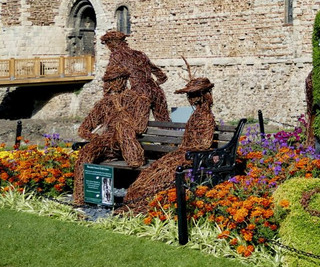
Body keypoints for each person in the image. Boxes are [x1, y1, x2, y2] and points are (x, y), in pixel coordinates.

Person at [120, 75, 217, 215]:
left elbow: (204, 144)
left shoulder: (207, 117)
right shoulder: (195, 116)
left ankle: (146, 203)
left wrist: (185, 153)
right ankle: (134, 200)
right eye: (190, 95)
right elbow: (188, 141)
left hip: (191, 156)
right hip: (183, 153)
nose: (191, 98)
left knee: (165, 173)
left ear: (203, 94)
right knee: (152, 170)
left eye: (194, 94)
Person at [73, 63, 149, 207]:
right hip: (109, 144)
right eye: (110, 81)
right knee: (85, 153)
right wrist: (95, 138)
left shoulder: (139, 100)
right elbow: (83, 129)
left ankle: (133, 155)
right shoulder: (105, 104)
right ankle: (80, 199)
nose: (113, 84)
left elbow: (139, 128)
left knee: (123, 127)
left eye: (116, 80)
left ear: (124, 80)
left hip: (128, 141)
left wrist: (121, 111)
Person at [101, 30, 170, 122]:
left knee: (138, 126)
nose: (108, 47)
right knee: (164, 122)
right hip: (156, 91)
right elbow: (162, 77)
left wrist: (107, 98)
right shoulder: (140, 54)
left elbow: (110, 78)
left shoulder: (116, 55)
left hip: (140, 94)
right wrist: (152, 84)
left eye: (107, 44)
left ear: (112, 43)